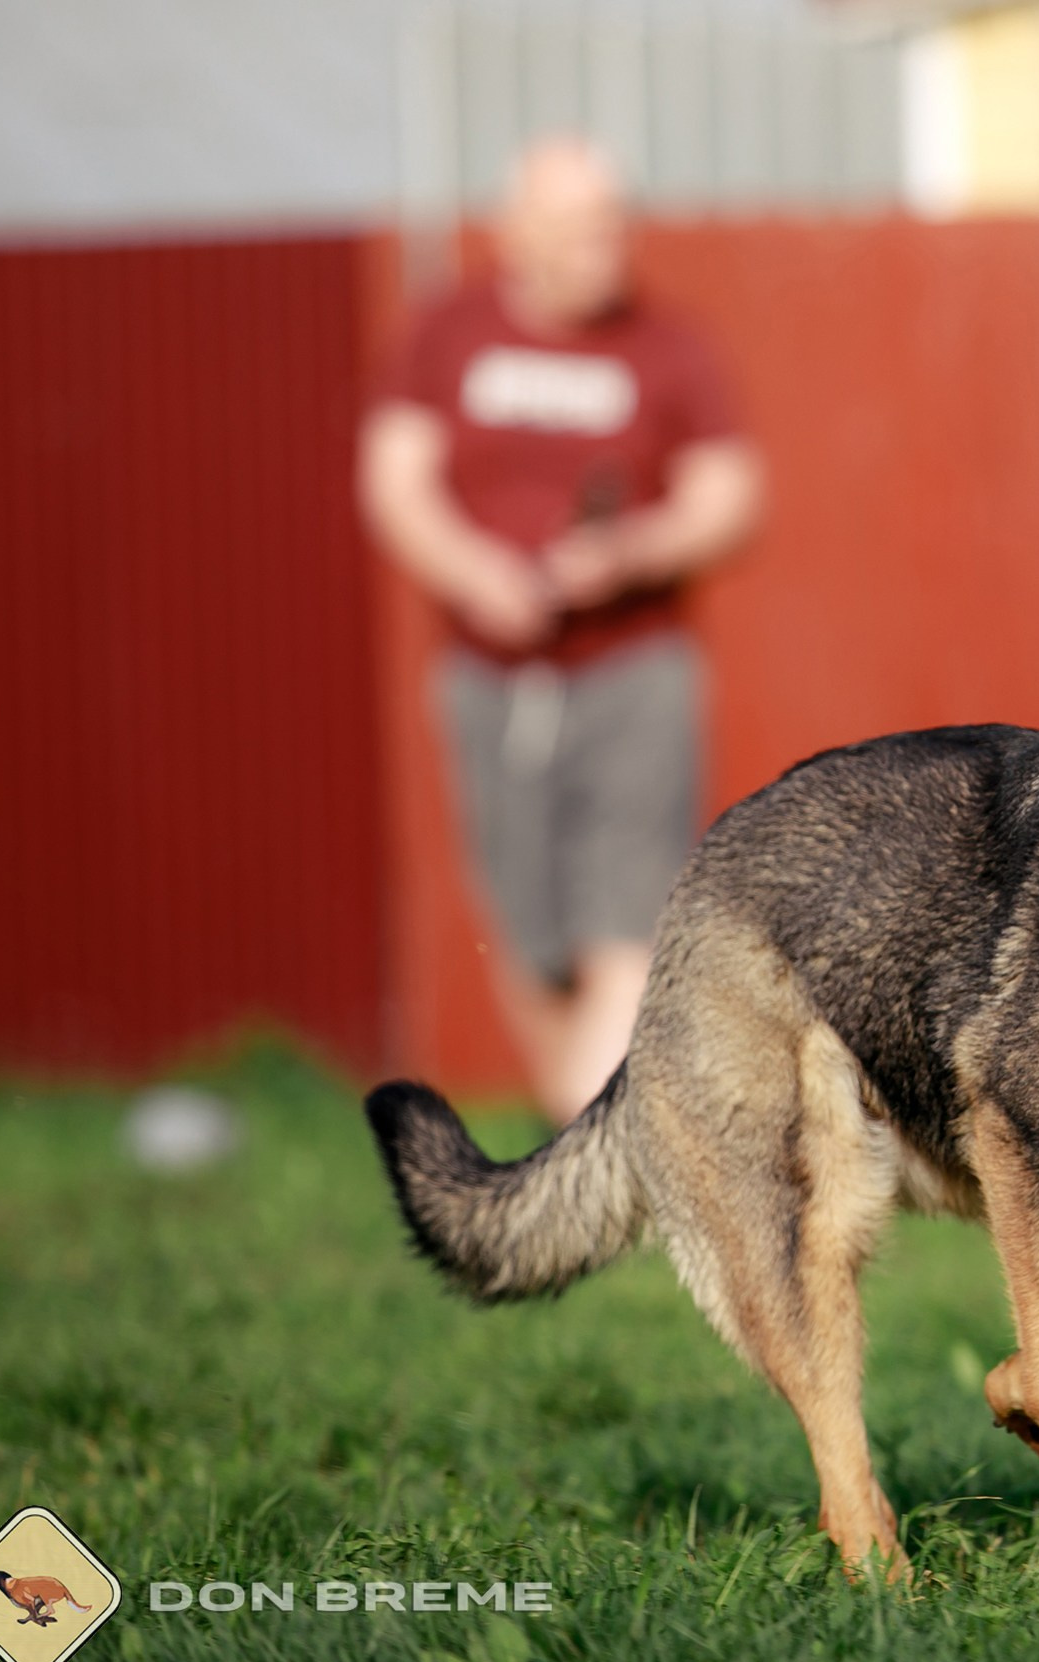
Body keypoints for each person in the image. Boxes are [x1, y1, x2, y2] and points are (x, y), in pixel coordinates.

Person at [360, 137, 760, 1124]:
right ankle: (576, 1123)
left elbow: (730, 494)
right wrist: (475, 573)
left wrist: (633, 550)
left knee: (628, 914)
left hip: (631, 667)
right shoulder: (445, 333)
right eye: (579, 226)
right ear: (517, 234)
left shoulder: (669, 345)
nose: (604, 244)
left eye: (613, 222)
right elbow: (394, 481)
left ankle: (595, 1142)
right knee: (528, 930)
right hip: (490, 676)